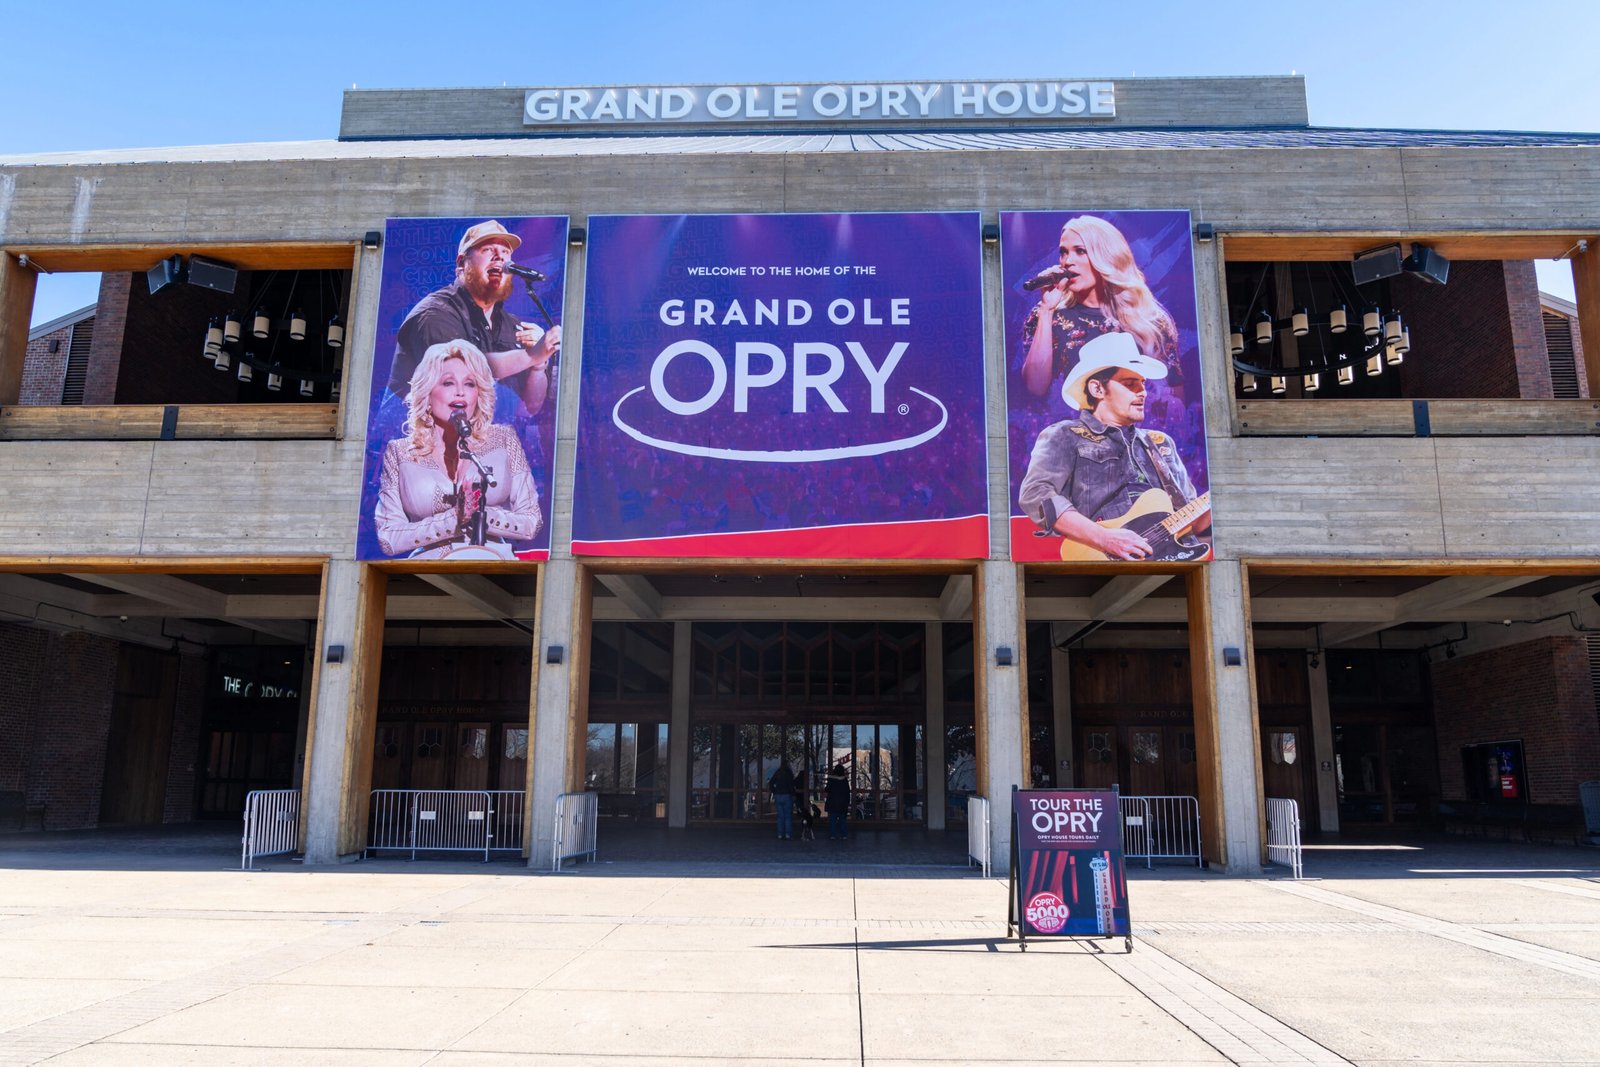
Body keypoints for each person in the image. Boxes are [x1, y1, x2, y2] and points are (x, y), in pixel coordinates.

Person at [1018, 332, 1205, 562]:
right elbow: (1036, 495)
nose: (1143, 391)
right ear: (1097, 389)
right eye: (1130, 383)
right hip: (1103, 563)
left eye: (1143, 383)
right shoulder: (1065, 435)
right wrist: (1104, 539)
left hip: (1175, 564)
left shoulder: (1161, 443)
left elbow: (1191, 517)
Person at [375, 339, 542, 559]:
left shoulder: (503, 439)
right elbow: (389, 538)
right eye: (448, 383)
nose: (460, 392)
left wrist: (481, 515)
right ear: (427, 391)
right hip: (429, 575)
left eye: (470, 384)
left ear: (479, 393)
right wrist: (454, 518)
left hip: (494, 568)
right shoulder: (401, 453)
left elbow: (531, 521)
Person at [390, 220, 561, 417]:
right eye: (488, 249)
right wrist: (532, 355)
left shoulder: (510, 325)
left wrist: (538, 365)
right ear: (462, 263)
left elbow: (528, 409)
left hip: (482, 439)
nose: (500, 257)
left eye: (505, 252)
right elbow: (465, 371)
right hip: (424, 439)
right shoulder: (434, 315)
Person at [1019, 215, 1180, 403]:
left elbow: (1175, 398)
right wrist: (1046, 311)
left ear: (1106, 256)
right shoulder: (1046, 315)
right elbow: (1035, 387)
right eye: (1063, 252)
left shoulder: (1150, 319)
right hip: (1071, 429)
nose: (1068, 261)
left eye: (1080, 251)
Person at [768, 760, 796, 840]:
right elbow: (791, 785)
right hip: (787, 795)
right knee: (788, 816)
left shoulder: (778, 772)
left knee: (780, 816)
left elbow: (771, 782)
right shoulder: (789, 773)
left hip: (778, 795)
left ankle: (780, 834)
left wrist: (774, 791)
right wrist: (793, 795)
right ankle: (788, 834)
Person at [825, 764, 850, 840]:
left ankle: (833, 835)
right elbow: (847, 792)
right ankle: (843, 835)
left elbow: (827, 789)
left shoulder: (831, 779)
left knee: (832, 820)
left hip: (833, 803)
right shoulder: (844, 780)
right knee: (842, 820)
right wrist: (847, 802)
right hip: (842, 804)